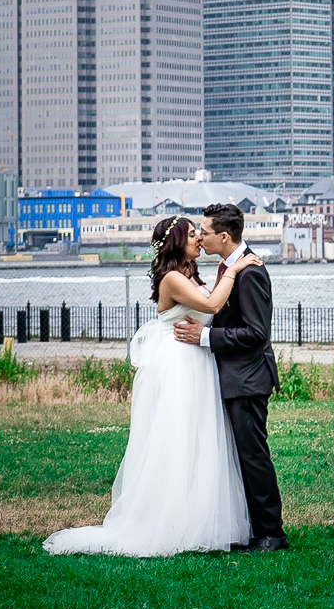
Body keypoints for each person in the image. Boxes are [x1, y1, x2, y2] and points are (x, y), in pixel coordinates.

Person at [43, 215, 260, 557]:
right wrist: (234, 267)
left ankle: (199, 520)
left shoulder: (189, 274)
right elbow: (212, 305)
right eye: (192, 235)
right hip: (178, 366)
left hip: (196, 361)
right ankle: (171, 521)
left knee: (200, 438)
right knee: (178, 439)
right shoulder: (172, 278)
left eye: (199, 234)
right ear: (176, 242)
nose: (199, 239)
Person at [172, 203, 288, 552]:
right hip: (234, 377)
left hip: (248, 378)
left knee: (253, 455)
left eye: (204, 233)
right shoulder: (231, 268)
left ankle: (272, 534)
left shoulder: (250, 272)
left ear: (224, 236)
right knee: (241, 456)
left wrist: (204, 337)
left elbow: (255, 333)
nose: (200, 237)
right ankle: (254, 529)